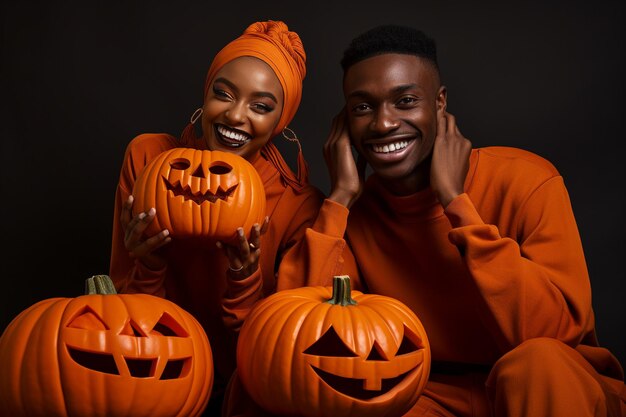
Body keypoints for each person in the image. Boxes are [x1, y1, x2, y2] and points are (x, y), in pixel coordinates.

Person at [224, 24, 626, 416]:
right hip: (426, 393)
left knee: (538, 363)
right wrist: (341, 198)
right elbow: (292, 344)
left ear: (439, 103)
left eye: (405, 101)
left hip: (550, 386)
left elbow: (555, 333)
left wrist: (457, 204)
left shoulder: (526, 180)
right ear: (344, 124)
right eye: (363, 107)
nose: (383, 123)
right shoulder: (355, 220)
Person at [109, 20, 340, 414]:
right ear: (206, 95)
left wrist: (244, 278)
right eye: (224, 94)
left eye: (261, 106)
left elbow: (279, 357)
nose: (235, 116)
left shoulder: (296, 204)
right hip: (151, 377)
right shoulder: (148, 159)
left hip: (245, 392)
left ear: (281, 120)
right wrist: (147, 264)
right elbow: (118, 321)